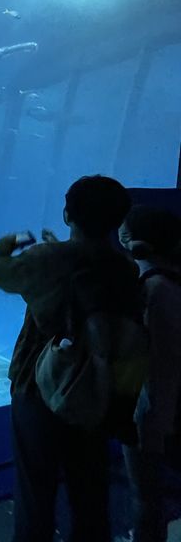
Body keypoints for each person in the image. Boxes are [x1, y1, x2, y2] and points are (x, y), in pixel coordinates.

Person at [0, 175, 138, 542]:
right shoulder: (125, 268)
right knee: (90, 491)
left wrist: (5, 245)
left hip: (39, 388)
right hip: (97, 391)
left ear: (68, 213)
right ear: (118, 220)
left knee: (35, 490)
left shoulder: (48, 259)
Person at [120, 205, 181, 542]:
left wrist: (152, 424)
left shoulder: (156, 291)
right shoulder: (167, 280)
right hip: (161, 412)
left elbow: (162, 366)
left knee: (146, 498)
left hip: (152, 415)